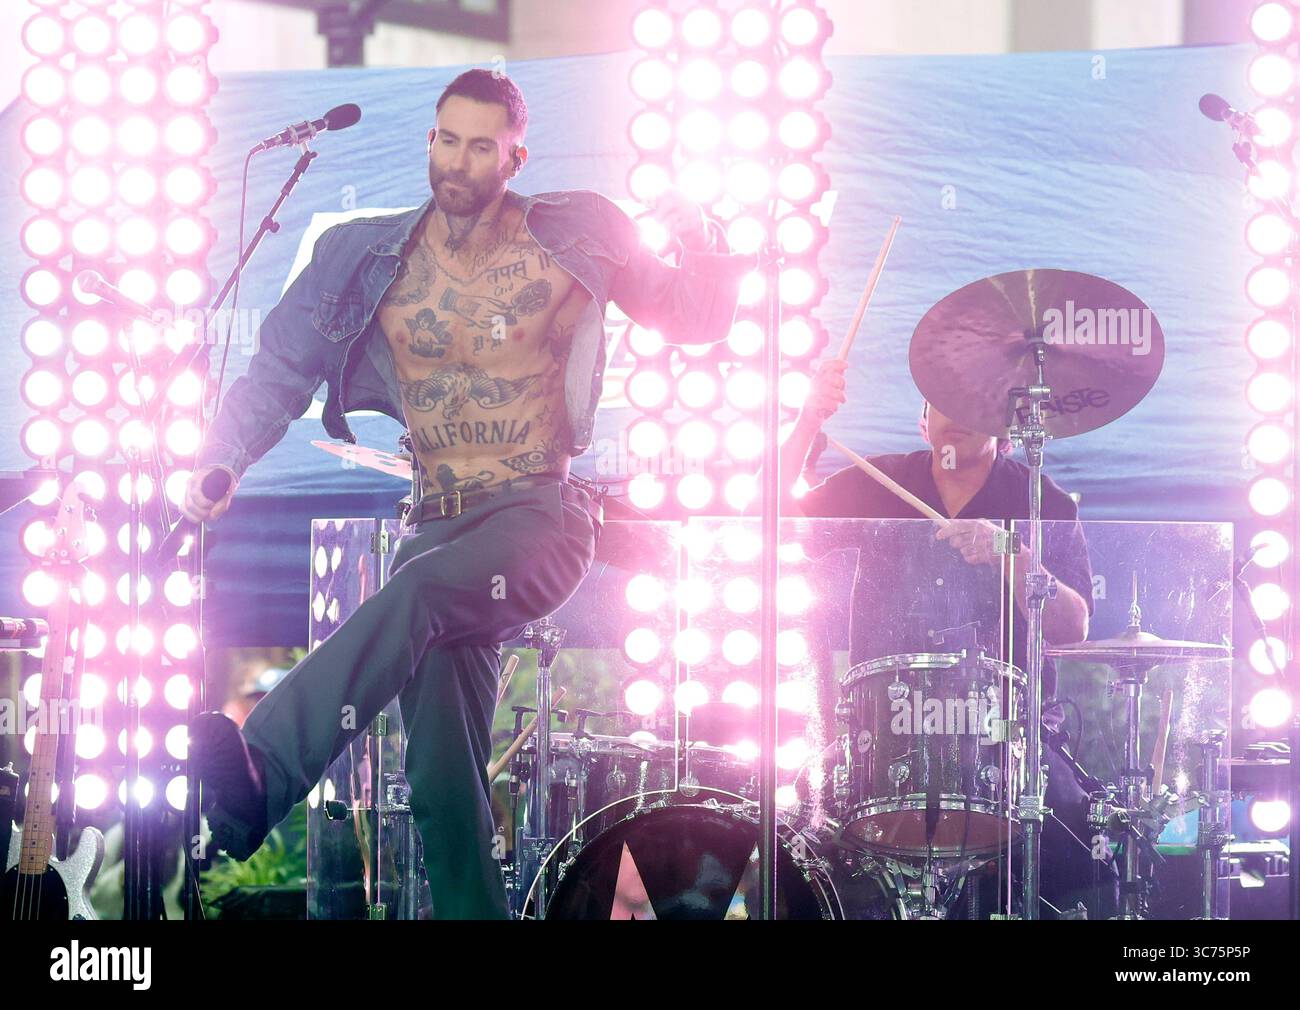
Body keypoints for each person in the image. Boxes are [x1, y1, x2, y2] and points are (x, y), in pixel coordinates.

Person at [183, 69, 752, 919]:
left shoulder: (576, 233)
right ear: (430, 140)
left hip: (536, 519)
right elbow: (278, 370)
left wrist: (705, 234)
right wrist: (222, 459)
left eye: (480, 147)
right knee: (443, 790)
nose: (458, 161)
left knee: (414, 594)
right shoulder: (364, 258)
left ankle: (263, 769)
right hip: (432, 526)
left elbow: (697, 315)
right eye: (446, 140)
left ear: (514, 157)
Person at [784, 358, 1115, 918]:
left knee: (1080, 842)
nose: (955, 415)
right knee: (798, 836)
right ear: (923, 422)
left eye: (972, 403)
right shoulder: (878, 481)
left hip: (1009, 736)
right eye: (942, 401)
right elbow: (766, 517)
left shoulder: (1044, 501)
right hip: (885, 732)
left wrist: (1011, 553)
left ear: (1005, 431)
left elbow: (1073, 626)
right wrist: (806, 421)